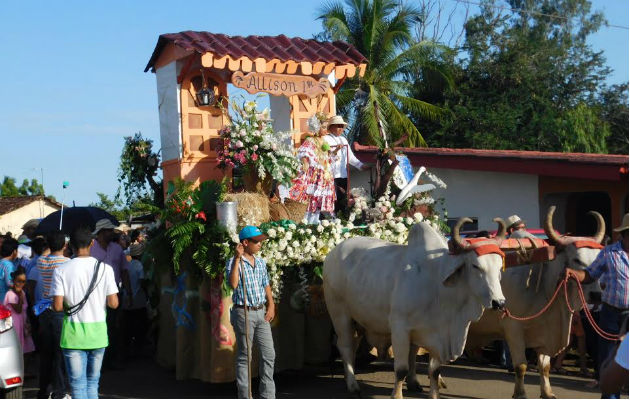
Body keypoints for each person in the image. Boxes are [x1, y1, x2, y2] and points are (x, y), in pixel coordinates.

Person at [51, 227, 119, 399]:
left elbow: (57, 307)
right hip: (98, 335)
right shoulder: (105, 269)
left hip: (73, 335)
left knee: (77, 385)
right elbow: (114, 304)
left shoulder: (61, 270)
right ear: (92, 243)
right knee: (93, 382)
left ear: (70, 245)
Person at [567, 213, 628, 399]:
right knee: (610, 362)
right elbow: (590, 275)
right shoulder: (609, 253)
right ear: (624, 235)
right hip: (611, 314)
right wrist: (574, 274)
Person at [226, 226, 276, 399]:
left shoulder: (260, 262)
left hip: (261, 312)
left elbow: (266, 284)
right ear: (245, 243)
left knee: (269, 354)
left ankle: (267, 396)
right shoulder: (234, 262)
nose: (260, 244)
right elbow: (232, 284)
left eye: (261, 240)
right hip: (243, 313)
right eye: (256, 241)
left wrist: (271, 305)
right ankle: (245, 396)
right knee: (245, 356)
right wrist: (236, 259)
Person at [90, 218, 129, 369]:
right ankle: (101, 360)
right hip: (96, 294)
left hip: (115, 293)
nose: (111, 232)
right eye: (108, 230)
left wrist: (128, 292)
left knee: (114, 326)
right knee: (101, 325)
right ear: (100, 233)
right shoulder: (92, 249)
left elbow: (124, 271)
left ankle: (112, 358)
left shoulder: (117, 249)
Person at [35, 230, 70, 399]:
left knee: (46, 352)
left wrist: (51, 245)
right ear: (65, 245)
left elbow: (47, 254)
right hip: (59, 310)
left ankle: (43, 390)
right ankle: (59, 391)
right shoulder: (67, 262)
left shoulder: (41, 261)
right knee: (59, 353)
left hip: (44, 310)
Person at [289, 113, 336, 224]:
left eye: (326, 127)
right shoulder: (310, 140)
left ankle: (315, 221)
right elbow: (304, 153)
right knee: (311, 197)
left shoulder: (324, 142)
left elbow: (328, 156)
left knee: (319, 199)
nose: (326, 130)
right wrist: (305, 163)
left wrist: (334, 153)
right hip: (314, 175)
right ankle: (306, 221)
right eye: (324, 127)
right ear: (316, 127)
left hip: (324, 175)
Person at [324, 115, 369, 214]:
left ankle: (340, 218)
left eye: (342, 126)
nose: (341, 129)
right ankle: (332, 219)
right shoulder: (325, 139)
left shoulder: (343, 140)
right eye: (338, 126)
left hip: (343, 174)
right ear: (331, 127)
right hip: (330, 175)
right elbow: (324, 156)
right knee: (333, 199)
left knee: (343, 199)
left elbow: (350, 157)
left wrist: (360, 165)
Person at [121, 243, 148, 359]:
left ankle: (127, 350)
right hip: (138, 300)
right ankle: (138, 350)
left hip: (126, 299)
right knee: (139, 326)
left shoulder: (128, 265)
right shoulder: (139, 266)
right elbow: (142, 282)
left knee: (128, 326)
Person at [3, 267, 35, 354]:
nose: (21, 284)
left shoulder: (22, 293)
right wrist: (20, 296)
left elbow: (25, 310)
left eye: (23, 281)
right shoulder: (11, 294)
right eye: (19, 281)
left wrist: (27, 322)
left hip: (22, 323)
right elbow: (18, 310)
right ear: (14, 281)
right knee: (17, 348)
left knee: (25, 349)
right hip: (15, 324)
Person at [0, 237, 19, 301]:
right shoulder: (9, 265)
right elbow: (10, 283)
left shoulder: (1, 262)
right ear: (14, 251)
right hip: (5, 300)